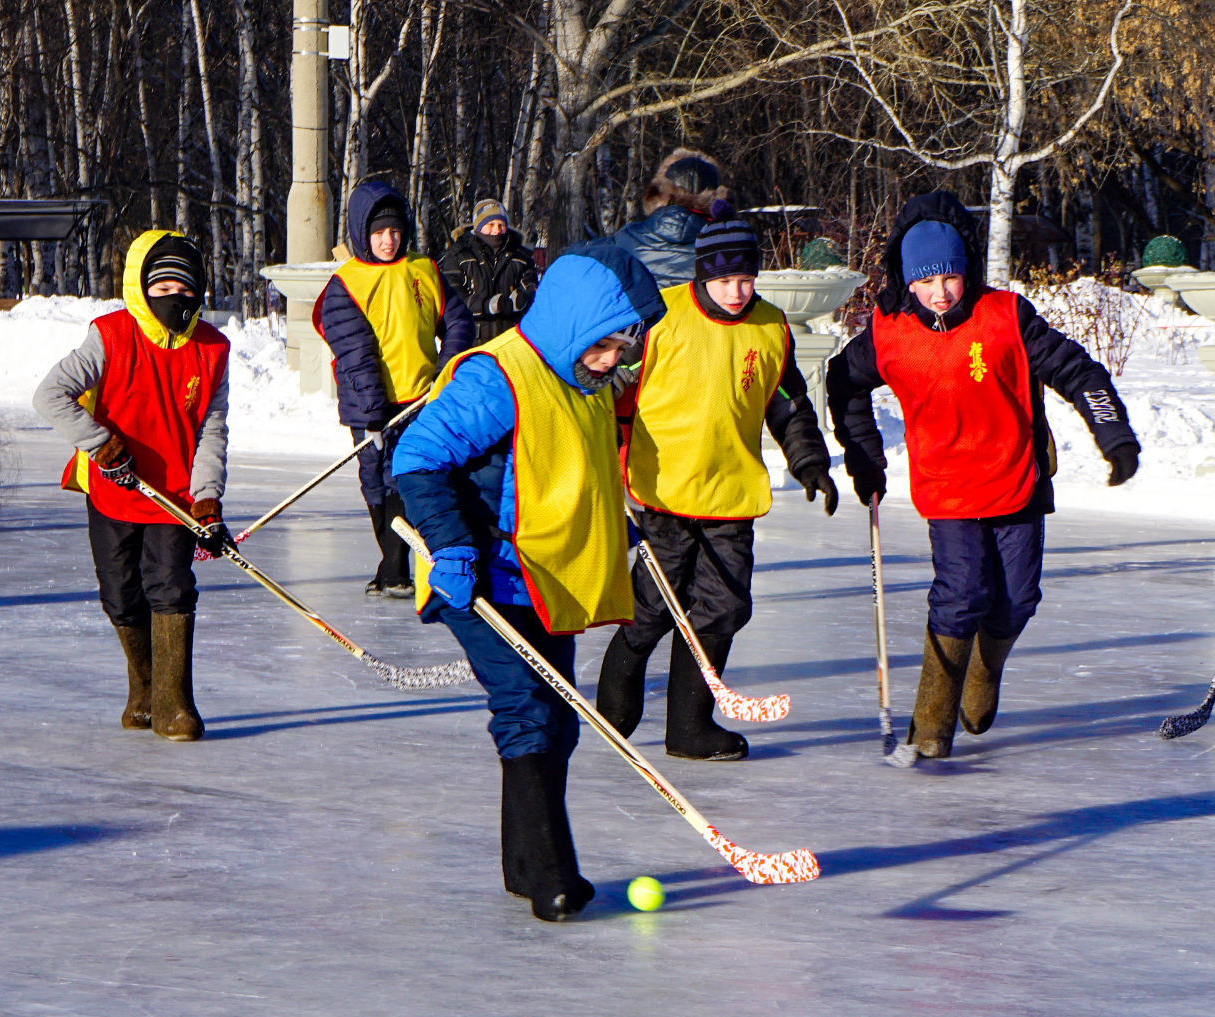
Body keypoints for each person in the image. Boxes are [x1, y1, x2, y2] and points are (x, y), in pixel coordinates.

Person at [393, 245, 664, 923]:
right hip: (482, 574)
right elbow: (418, 457)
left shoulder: (586, 387)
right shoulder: (499, 378)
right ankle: (551, 873)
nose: (613, 363)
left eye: (622, 350)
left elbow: (572, 471)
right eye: (604, 346)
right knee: (527, 710)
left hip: (545, 576)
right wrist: (452, 546)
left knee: (557, 718)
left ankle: (523, 865)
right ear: (575, 326)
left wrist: (612, 526)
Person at [828, 190, 1141, 760]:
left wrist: (1112, 432)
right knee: (960, 595)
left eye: (950, 277)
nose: (940, 293)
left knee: (1017, 601)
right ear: (907, 281)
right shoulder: (888, 332)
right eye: (925, 282)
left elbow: (1079, 372)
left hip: (1016, 476)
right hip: (947, 488)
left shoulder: (1004, 317)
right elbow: (842, 384)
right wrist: (864, 455)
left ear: (965, 271)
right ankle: (930, 727)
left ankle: (983, 670)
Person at [594, 201, 837, 762]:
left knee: (721, 609)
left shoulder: (770, 326)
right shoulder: (659, 317)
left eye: (746, 279)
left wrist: (810, 463)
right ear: (702, 274)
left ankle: (689, 727)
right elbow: (610, 391)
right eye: (725, 280)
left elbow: (787, 401)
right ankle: (614, 705)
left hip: (731, 493)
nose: (737, 292)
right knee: (653, 606)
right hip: (663, 490)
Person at [34, 231, 231, 742]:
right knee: (121, 595)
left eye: (185, 289)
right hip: (114, 487)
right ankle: (143, 690)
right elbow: (50, 395)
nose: (175, 297)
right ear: (143, 288)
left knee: (171, 588)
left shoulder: (211, 349)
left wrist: (207, 496)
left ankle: (174, 704)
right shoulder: (111, 335)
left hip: (176, 498)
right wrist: (100, 444)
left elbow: (212, 426)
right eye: (163, 286)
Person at [316, 180, 475, 597]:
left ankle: (397, 567)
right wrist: (373, 417)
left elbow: (458, 323)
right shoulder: (345, 285)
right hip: (372, 406)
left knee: (407, 476)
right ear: (361, 233)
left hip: (421, 399)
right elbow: (356, 353)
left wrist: (446, 371)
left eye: (395, 231)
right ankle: (391, 559)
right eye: (379, 233)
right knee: (375, 481)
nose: (388, 241)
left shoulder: (424, 270)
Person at [569, 148, 727, 288]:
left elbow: (569, 260)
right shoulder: (730, 248)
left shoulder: (625, 239)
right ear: (718, 199)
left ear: (657, 194)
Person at [438, 199, 540, 344]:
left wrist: (524, 299)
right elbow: (453, 298)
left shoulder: (520, 255)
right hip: (471, 341)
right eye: (490, 225)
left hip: (512, 341)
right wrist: (488, 305)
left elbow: (534, 290)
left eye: (501, 225)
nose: (497, 230)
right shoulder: (459, 254)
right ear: (478, 226)